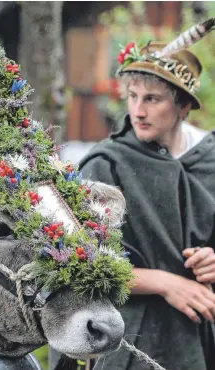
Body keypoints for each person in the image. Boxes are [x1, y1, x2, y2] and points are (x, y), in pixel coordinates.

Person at [77, 29, 215, 370]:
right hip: (130, 341)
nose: (138, 111)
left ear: (183, 105)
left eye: (152, 99)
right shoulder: (105, 165)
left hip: (203, 339)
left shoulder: (211, 161)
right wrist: (164, 282)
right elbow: (80, 265)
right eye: (133, 96)